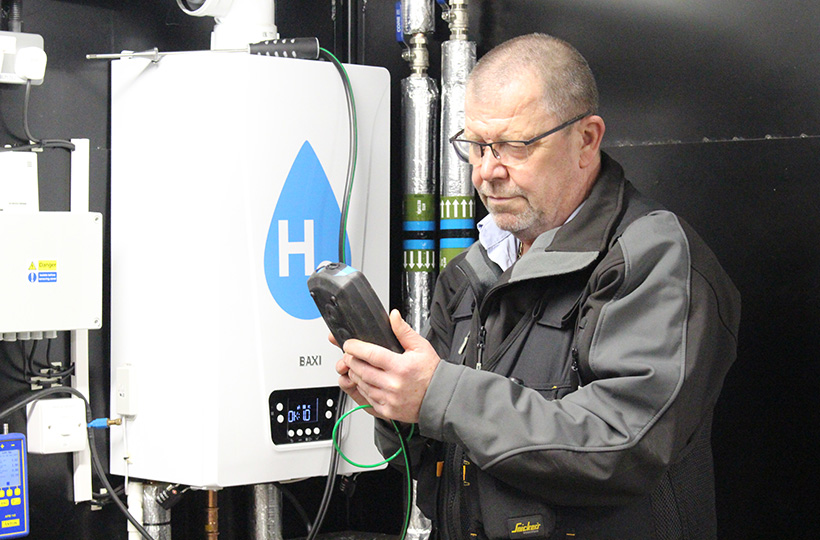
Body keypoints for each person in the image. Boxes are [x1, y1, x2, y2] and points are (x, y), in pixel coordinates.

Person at [336, 33, 740, 540]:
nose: (486, 172)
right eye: (477, 146)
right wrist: (397, 403)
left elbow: (621, 446)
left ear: (587, 139)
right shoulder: (468, 274)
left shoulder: (653, 259)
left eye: (514, 146)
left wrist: (441, 394)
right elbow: (435, 467)